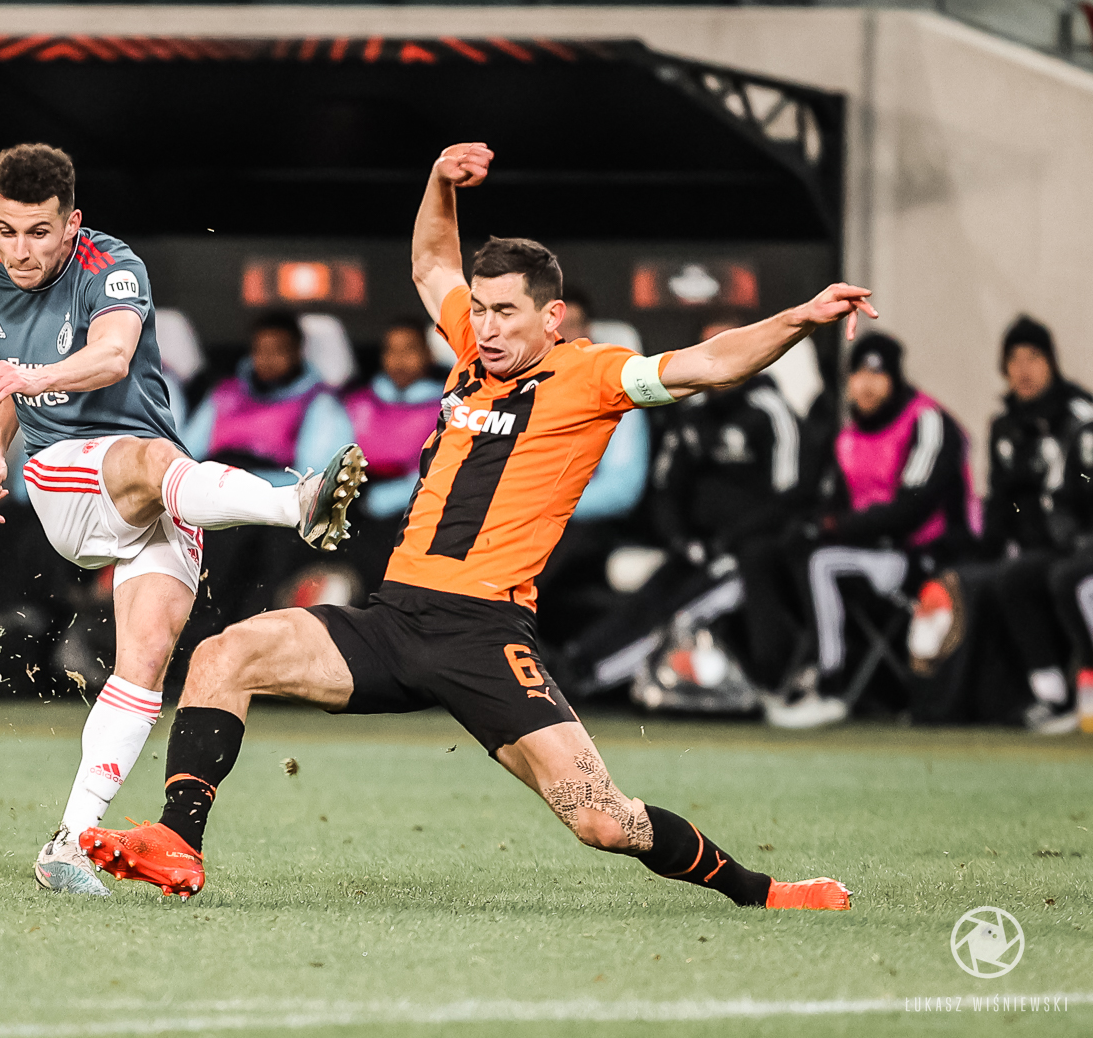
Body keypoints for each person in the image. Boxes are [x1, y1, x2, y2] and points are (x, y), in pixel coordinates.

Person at [81, 142, 862, 912]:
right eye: (480, 309)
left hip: (484, 637)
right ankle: (179, 840)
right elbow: (431, 264)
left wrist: (800, 317)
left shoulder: (594, 374)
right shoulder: (470, 349)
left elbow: (711, 363)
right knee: (223, 654)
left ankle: (764, 891)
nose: (485, 326)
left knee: (603, 819)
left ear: (552, 317)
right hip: (393, 621)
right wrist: (438, 182)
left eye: (505, 312)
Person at [0, 143, 366, 896]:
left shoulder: (114, 266)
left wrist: (27, 378)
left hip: (157, 487)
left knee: (144, 665)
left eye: (39, 232)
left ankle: (67, 843)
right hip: (64, 477)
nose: (19, 250)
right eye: (6, 229)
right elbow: (15, 369)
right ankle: (295, 504)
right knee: (155, 460)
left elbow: (111, 356)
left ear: (72, 223)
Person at [558, 313, 803, 694]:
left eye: (732, 346)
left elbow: (790, 496)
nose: (722, 356)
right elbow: (667, 490)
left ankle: (589, 676)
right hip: (695, 547)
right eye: (713, 348)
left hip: (746, 554)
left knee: (677, 613)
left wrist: (728, 541)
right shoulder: (691, 415)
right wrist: (683, 540)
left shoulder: (770, 411)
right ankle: (576, 659)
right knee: (649, 598)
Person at [749, 332, 976, 728]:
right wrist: (818, 524)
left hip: (923, 555)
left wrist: (837, 527)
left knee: (821, 563)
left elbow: (912, 509)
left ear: (895, 379)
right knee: (775, 552)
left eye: (877, 375)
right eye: (858, 375)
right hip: (869, 551)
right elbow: (836, 503)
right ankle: (777, 674)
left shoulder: (928, 422)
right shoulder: (850, 434)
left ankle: (831, 687)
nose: (866, 385)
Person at [180, 311, 357, 619]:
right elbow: (185, 451)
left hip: (268, 507)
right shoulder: (225, 394)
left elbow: (314, 478)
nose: (268, 359)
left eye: (279, 350)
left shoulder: (319, 403)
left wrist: (244, 487)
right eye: (261, 350)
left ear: (297, 352)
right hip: (212, 496)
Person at [979, 318, 1093, 731]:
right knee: (1010, 577)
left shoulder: (1081, 417)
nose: (1023, 369)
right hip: (1048, 546)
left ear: (1051, 362)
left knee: (1069, 578)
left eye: (1033, 357)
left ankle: (1087, 686)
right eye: (1014, 360)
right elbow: (1001, 500)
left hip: (1084, 540)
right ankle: (1051, 695)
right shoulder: (1005, 427)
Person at [532, 288, 651, 645]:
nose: (564, 334)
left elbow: (622, 489)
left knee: (538, 558)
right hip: (529, 514)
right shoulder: (520, 390)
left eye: (573, 324)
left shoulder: (617, 390)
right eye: (555, 324)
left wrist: (546, 505)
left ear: (589, 331)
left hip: (589, 520)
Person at [339, 316, 442, 593]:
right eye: (391, 350)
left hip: (407, 508)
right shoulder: (357, 401)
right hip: (356, 500)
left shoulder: (446, 407)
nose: (399, 360)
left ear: (428, 354)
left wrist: (387, 497)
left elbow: (440, 470)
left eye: (409, 350)